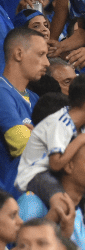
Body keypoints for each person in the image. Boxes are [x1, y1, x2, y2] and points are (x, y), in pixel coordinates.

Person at [0, 27, 47, 194]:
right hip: (10, 199)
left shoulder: (34, 98)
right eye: (41, 54)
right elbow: (22, 145)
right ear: (18, 54)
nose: (47, 63)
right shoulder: (2, 91)